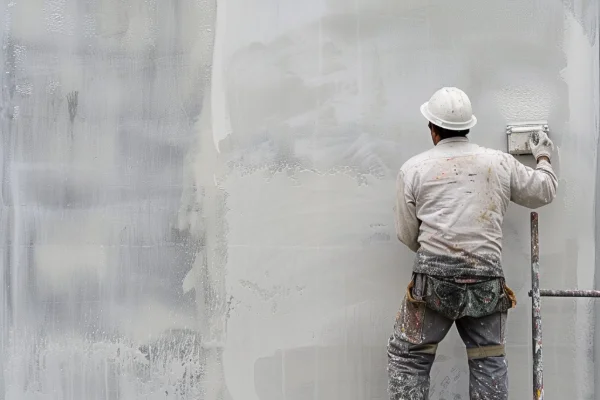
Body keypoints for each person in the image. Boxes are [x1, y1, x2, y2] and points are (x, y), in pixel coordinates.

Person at [388, 87, 558, 399]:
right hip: (486, 281)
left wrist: (436, 255)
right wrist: (543, 155)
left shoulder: (413, 169)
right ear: (469, 126)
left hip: (433, 282)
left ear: (432, 129)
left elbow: (406, 233)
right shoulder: (498, 163)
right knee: (488, 359)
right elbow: (543, 191)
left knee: (409, 357)